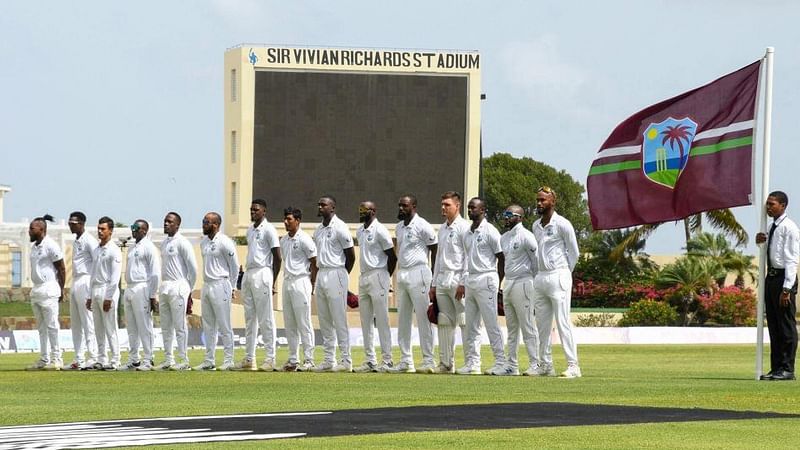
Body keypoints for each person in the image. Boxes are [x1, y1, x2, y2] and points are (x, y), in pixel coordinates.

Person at [531, 186, 581, 378]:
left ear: (553, 201)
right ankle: (545, 365)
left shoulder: (562, 223)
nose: (539, 203)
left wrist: (566, 272)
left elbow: (574, 252)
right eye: (538, 200)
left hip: (559, 274)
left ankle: (573, 365)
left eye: (543, 200)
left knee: (562, 322)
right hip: (541, 276)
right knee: (542, 324)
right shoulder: (536, 225)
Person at [458, 197, 506, 376]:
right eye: (469, 208)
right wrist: (463, 281)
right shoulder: (467, 233)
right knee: (471, 324)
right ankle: (472, 363)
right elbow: (466, 258)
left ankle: (500, 362)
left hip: (487, 278)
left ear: (483, 210)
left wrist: (498, 281)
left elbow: (501, 257)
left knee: (491, 322)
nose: (470, 210)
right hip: (471, 278)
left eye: (473, 208)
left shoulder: (490, 231)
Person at [392, 194, 438, 374]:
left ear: (414, 207)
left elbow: (435, 248)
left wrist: (434, 275)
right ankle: (405, 360)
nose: (401, 209)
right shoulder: (398, 227)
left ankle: (428, 360)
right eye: (399, 205)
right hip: (402, 273)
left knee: (423, 317)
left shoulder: (423, 225)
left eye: (404, 206)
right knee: (403, 318)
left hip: (419, 272)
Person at [756, 191, 799, 381]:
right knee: (773, 325)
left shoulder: (789, 228)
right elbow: (772, 253)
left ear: (783, 205)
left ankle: (787, 368)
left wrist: (787, 289)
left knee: (786, 326)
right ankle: (776, 368)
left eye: (772, 204)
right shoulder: (771, 227)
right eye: (767, 203)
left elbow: (791, 259)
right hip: (771, 277)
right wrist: (760, 243)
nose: (768, 207)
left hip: (783, 279)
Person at [236, 199, 282, 372]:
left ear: (264, 211)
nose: (252, 212)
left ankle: (270, 358)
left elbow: (277, 256)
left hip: (263, 272)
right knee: (250, 318)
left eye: (256, 209)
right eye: (251, 209)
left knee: (266, 318)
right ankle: (249, 358)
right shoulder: (250, 230)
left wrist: (273, 279)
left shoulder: (269, 229)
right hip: (249, 273)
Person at [312, 196, 356, 372]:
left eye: (323, 204)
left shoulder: (340, 227)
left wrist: (342, 276)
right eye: (319, 204)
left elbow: (351, 256)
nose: (320, 206)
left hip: (337, 272)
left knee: (339, 318)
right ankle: (329, 359)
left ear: (332, 208)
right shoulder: (318, 230)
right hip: (322, 273)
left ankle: (346, 360)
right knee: (324, 319)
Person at [429, 191, 470, 374]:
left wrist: (463, 281)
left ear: (457, 206)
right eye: (442, 204)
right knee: (444, 321)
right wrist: (433, 283)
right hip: (442, 278)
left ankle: (470, 363)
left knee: (464, 321)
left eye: (447, 205)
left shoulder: (464, 227)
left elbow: (469, 257)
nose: (443, 208)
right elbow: (437, 258)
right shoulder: (443, 228)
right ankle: (446, 364)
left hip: (457, 278)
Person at [354, 201, 397, 373]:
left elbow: (392, 257)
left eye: (364, 209)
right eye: (360, 208)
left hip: (379, 274)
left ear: (373, 211)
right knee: (365, 320)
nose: (361, 211)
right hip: (364, 276)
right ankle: (370, 360)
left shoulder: (380, 230)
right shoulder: (359, 231)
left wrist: (386, 276)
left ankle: (387, 359)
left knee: (381, 318)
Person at [194, 212, 239, 371]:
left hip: (221, 284)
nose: (203, 224)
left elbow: (234, 266)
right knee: (208, 325)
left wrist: (233, 287)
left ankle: (229, 360)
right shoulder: (204, 242)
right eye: (203, 221)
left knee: (224, 324)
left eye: (206, 222)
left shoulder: (225, 242)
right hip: (207, 285)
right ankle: (209, 359)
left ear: (215, 224)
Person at [499, 204, 540, 376]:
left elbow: (536, 263)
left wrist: (533, 284)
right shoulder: (504, 237)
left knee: (527, 325)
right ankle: (511, 365)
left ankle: (536, 363)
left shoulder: (527, 236)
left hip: (524, 282)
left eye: (510, 214)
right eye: (505, 214)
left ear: (520, 217)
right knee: (512, 327)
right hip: (508, 283)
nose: (506, 217)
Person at [157, 212, 197, 371]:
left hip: (179, 285)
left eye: (169, 222)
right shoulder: (164, 243)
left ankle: (184, 360)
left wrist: (188, 289)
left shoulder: (183, 242)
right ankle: (168, 359)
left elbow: (193, 268)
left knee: (180, 325)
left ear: (177, 225)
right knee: (165, 326)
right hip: (165, 286)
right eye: (165, 221)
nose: (166, 224)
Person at [279, 207, 318, 372]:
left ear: (298, 220)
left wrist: (312, 283)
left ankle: (309, 359)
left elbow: (314, 262)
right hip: (287, 282)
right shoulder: (283, 240)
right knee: (289, 322)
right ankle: (293, 359)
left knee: (304, 322)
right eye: (285, 219)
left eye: (289, 219)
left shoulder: (305, 239)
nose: (286, 222)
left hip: (301, 281)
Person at [26, 215, 66, 371]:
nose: (29, 231)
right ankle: (44, 358)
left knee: (52, 325)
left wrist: (61, 289)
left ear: (41, 230)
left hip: (49, 288)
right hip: (36, 289)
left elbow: (61, 268)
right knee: (41, 327)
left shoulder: (51, 245)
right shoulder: (34, 247)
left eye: (32, 228)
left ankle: (57, 358)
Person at [121, 220, 161, 371]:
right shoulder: (132, 247)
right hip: (130, 287)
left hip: (142, 286)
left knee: (144, 325)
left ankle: (148, 358)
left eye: (137, 228)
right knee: (131, 326)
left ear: (144, 230)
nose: (134, 230)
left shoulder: (149, 247)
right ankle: (133, 359)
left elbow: (155, 273)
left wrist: (152, 294)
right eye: (132, 228)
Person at [87, 216, 122, 370]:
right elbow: (92, 274)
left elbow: (115, 277)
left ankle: (115, 360)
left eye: (103, 229)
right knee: (98, 327)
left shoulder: (114, 250)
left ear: (110, 231)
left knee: (110, 327)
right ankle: (101, 358)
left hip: (108, 289)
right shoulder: (96, 249)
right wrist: (89, 296)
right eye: (99, 229)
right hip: (95, 289)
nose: (100, 232)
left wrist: (109, 297)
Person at [66, 211, 99, 370]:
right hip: (76, 280)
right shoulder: (76, 240)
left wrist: (93, 287)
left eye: (74, 223)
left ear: (82, 223)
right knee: (76, 322)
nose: (70, 225)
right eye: (69, 222)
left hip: (86, 280)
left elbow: (97, 262)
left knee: (88, 321)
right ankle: (78, 358)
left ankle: (93, 357)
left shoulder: (89, 240)